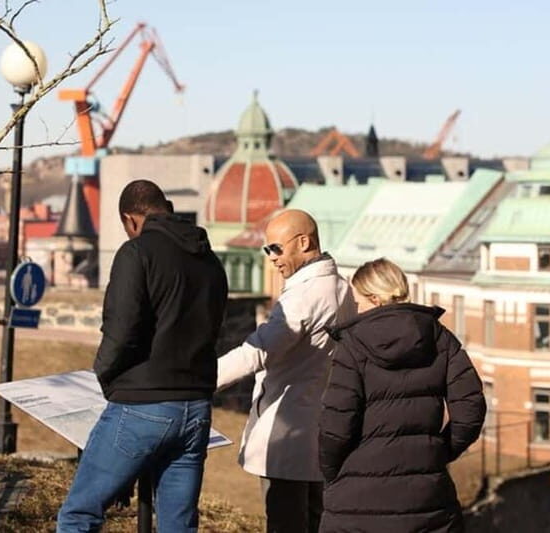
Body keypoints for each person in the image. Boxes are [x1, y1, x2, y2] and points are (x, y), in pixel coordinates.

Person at [57, 180, 229, 532]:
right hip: (196, 407)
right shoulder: (209, 259)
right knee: (178, 526)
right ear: (165, 205)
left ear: (130, 220)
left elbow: (121, 329)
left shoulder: (136, 253)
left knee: (79, 514)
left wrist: (104, 375)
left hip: (142, 404)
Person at [318, 258, 486, 533]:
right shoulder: (440, 338)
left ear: (375, 298)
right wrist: (436, 452)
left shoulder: (352, 346)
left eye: (359, 301)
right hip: (428, 500)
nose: (356, 309)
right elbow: (471, 410)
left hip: (356, 502)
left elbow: (336, 424)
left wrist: (332, 470)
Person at [217, 209, 356, 533]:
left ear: (303, 242)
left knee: (285, 522)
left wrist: (197, 381)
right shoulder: (342, 288)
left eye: (276, 248)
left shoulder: (303, 296)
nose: (271, 259)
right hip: (321, 429)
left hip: (287, 430)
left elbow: (256, 351)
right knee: (315, 519)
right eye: (267, 250)